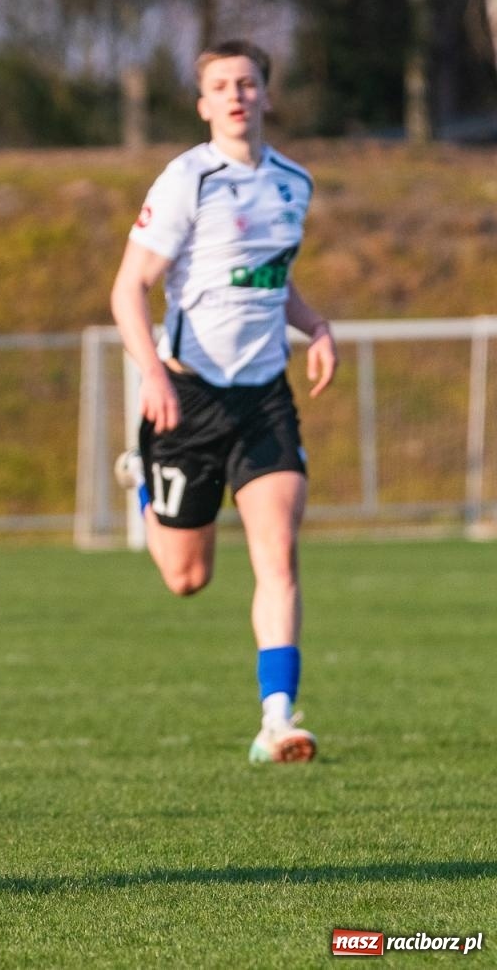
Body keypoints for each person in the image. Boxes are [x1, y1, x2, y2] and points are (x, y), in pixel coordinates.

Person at [109, 40, 336, 765]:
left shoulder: (294, 183)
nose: (236, 94)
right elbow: (129, 287)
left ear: (267, 93)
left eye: (247, 82)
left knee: (278, 552)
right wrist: (151, 374)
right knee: (188, 578)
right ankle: (143, 477)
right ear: (203, 104)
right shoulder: (188, 180)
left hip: (264, 396)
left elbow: (273, 277)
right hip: (187, 397)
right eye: (221, 85)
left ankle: (277, 719)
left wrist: (315, 326)